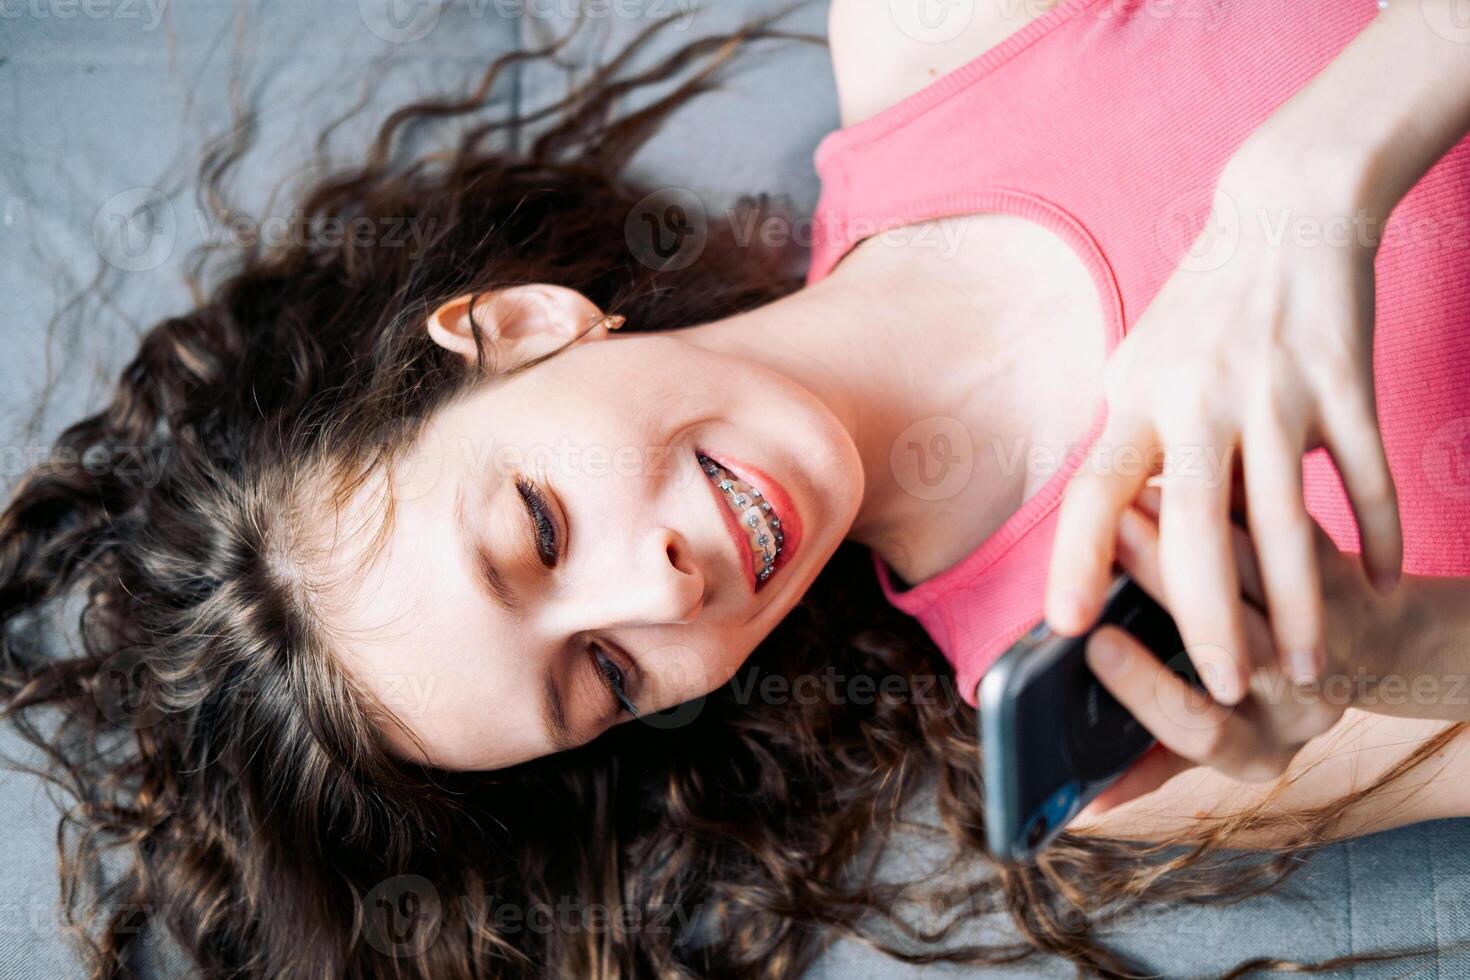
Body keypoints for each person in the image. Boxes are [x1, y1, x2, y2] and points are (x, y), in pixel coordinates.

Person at [3, 1, 1469, 976]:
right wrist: (1383, 653)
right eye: (604, 672)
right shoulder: (1135, 750)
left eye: (538, 529)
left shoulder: (942, 34)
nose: (663, 592)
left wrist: (1325, 164)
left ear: (520, 325)